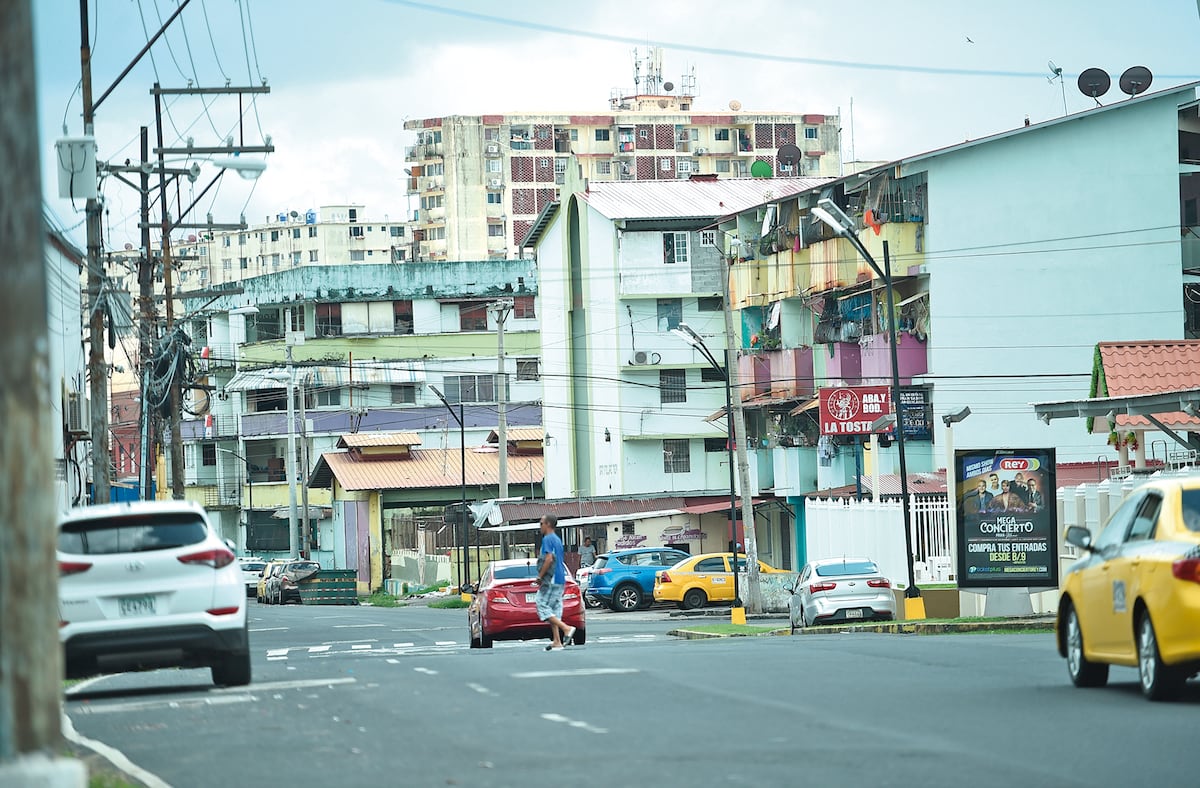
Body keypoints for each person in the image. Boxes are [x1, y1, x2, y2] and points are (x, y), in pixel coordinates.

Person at [535, 515, 575, 651]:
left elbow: (549, 559)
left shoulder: (547, 539)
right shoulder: (557, 540)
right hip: (560, 578)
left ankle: (566, 628)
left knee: (541, 604)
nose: (540, 526)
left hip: (551, 579)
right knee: (553, 610)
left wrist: (540, 576)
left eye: (541, 524)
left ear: (548, 524)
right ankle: (557, 640)